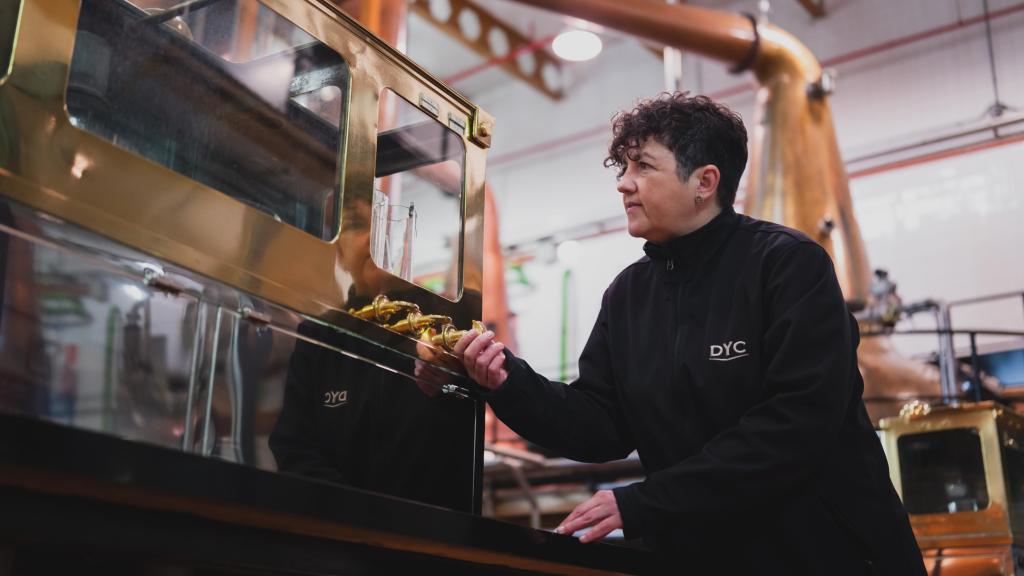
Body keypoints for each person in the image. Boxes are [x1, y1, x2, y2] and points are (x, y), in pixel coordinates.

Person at [454, 92, 925, 574]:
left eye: (642, 167)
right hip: (704, 556)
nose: (623, 184)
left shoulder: (787, 266)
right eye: (623, 167)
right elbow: (599, 425)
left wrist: (645, 503)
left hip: (827, 555)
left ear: (704, 181)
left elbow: (796, 424)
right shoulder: (628, 295)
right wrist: (506, 381)